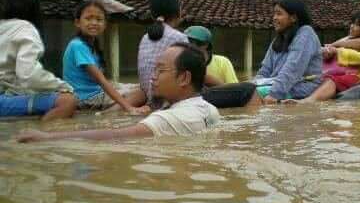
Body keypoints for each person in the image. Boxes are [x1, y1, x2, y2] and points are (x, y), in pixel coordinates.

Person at [17, 43, 221, 143]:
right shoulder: (210, 109)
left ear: (184, 78)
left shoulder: (168, 118)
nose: (153, 77)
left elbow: (116, 135)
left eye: (160, 70)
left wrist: (46, 138)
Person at [0, 0, 76, 120]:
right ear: (34, 5)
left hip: (6, 95)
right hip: (2, 100)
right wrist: (63, 86)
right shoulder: (26, 29)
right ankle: (40, 136)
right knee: (67, 101)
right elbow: (29, 75)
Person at [63, 1, 148, 114]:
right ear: (78, 23)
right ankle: (106, 114)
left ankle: (114, 107)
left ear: (105, 24)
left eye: (98, 19)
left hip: (93, 92)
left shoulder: (90, 45)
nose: (94, 23)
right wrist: (129, 108)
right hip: (85, 98)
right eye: (88, 18)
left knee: (141, 86)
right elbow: (101, 80)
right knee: (142, 93)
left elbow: (100, 81)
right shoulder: (78, 46)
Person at [300, 10, 360, 102]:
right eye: (352, 23)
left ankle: (310, 100)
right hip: (348, 75)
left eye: (357, 25)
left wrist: (337, 51)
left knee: (332, 80)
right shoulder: (348, 40)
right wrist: (329, 52)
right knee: (316, 77)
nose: (352, 26)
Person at [254, 0, 322, 101]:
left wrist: (273, 94)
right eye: (274, 14)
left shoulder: (306, 33)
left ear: (293, 17)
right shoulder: (278, 39)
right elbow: (264, 71)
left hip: (301, 87)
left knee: (250, 95)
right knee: (245, 88)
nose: (274, 18)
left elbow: (292, 69)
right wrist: (254, 84)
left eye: (279, 14)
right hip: (275, 85)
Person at [138, 0, 188, 109]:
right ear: (178, 13)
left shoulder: (145, 37)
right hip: (167, 99)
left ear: (152, 14)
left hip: (150, 97)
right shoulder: (179, 37)